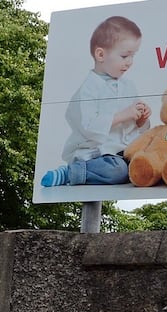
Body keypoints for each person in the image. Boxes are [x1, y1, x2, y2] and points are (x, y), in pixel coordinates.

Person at [41, 16, 151, 187]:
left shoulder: (128, 85)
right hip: (97, 154)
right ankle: (72, 173)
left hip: (124, 150)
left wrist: (141, 120)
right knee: (117, 170)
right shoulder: (89, 88)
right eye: (124, 56)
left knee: (144, 160)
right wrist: (123, 115)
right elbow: (88, 126)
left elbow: (134, 127)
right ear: (100, 54)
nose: (129, 63)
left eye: (132, 56)